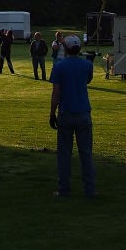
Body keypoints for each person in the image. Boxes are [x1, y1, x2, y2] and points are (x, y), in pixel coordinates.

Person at [49, 34, 95, 198]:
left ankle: (64, 189)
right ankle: (89, 190)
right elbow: (87, 81)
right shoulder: (87, 65)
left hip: (66, 113)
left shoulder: (59, 67)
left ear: (65, 48)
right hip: (83, 112)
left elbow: (56, 93)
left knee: (64, 154)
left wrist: (52, 112)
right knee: (86, 153)